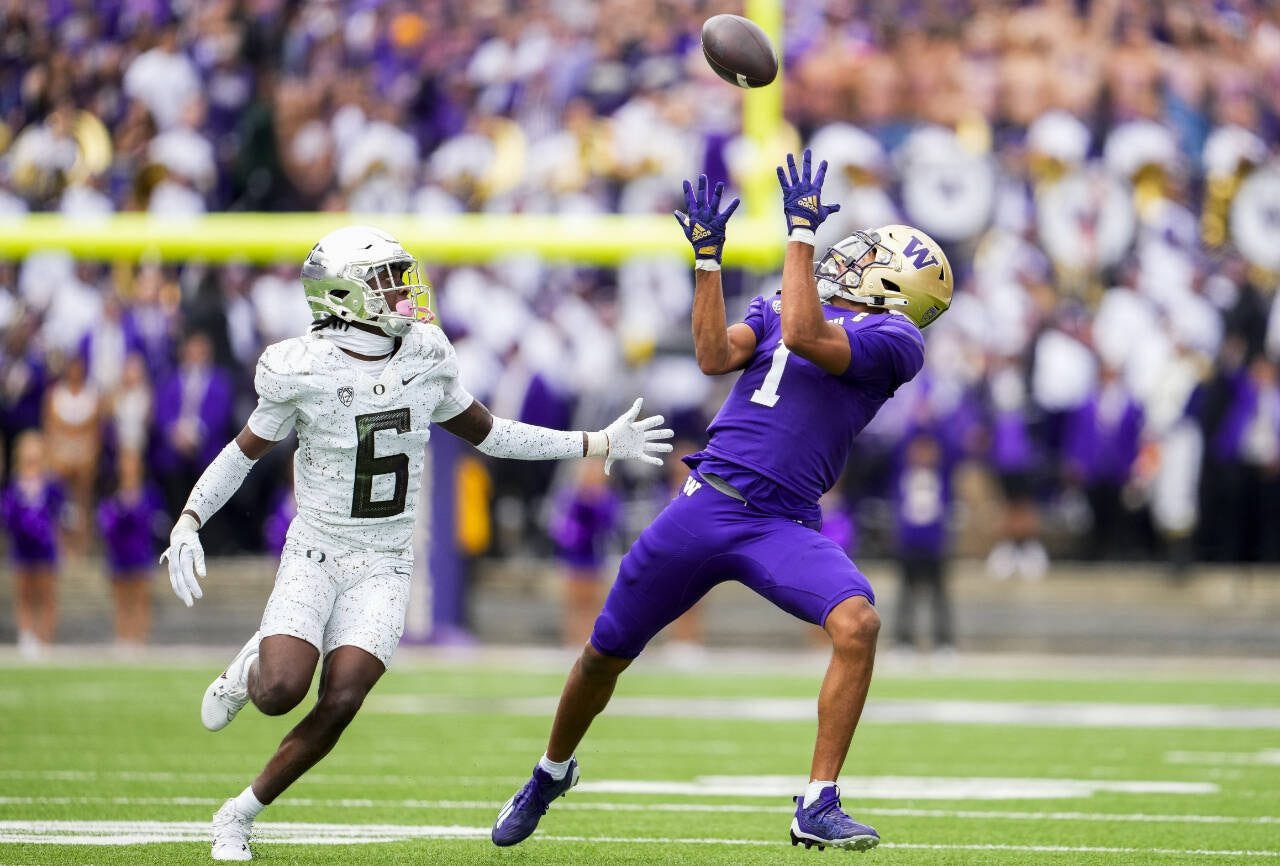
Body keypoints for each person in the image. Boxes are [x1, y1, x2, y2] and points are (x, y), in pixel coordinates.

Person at [159, 225, 673, 862]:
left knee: (343, 696)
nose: (403, 291)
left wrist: (594, 443)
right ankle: (250, 667)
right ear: (344, 296)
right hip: (318, 548)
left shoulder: (425, 355)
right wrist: (190, 517)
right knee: (279, 691)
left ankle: (239, 814)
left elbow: (491, 433)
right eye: (385, 281)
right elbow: (242, 455)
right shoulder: (302, 368)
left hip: (388, 559)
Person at [491, 151, 952, 852]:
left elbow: (806, 335)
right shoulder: (780, 302)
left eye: (868, 257)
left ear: (896, 284)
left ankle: (818, 802)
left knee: (856, 623)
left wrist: (798, 234)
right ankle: (550, 772)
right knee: (602, 656)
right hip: (706, 504)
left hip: (779, 524)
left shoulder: (895, 340)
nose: (847, 258)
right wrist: (707, 261)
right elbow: (712, 354)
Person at [1, 430, 64, 658]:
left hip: (45, 546)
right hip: (21, 547)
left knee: (45, 593)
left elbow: (59, 510)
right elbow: (7, 513)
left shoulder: (50, 484)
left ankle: (45, 636)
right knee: (24, 593)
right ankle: (27, 635)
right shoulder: (14, 485)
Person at [891, 431, 954, 654]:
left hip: (934, 544)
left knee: (939, 596)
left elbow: (951, 446)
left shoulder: (942, 476)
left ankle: (944, 642)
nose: (923, 455)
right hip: (909, 543)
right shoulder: (903, 474)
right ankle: (903, 641)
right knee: (906, 596)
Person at [549, 458, 620, 647]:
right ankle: (572, 641)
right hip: (574, 557)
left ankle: (590, 642)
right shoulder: (570, 496)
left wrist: (594, 503)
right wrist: (573, 535)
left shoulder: (607, 498)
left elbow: (609, 525)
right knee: (574, 603)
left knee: (594, 604)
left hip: (596, 558)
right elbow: (560, 527)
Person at [97, 450, 164, 647]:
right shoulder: (112, 493)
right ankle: (123, 637)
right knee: (121, 599)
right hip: (119, 553)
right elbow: (105, 521)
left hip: (140, 551)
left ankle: (140, 637)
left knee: (141, 598)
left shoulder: (149, 493)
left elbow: (157, 519)